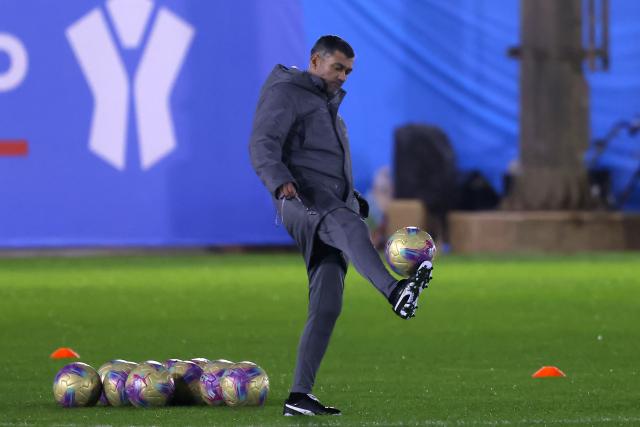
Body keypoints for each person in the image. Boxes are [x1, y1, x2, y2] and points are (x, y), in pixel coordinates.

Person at [249, 35, 434, 416]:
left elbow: (326, 162)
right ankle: (394, 291)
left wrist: (352, 197)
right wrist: (278, 179)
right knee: (349, 227)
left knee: (328, 302)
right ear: (316, 60)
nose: (343, 76)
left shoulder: (324, 101)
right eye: (338, 68)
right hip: (299, 199)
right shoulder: (288, 92)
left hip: (327, 200)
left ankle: (298, 396)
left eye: (348, 71)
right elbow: (262, 142)